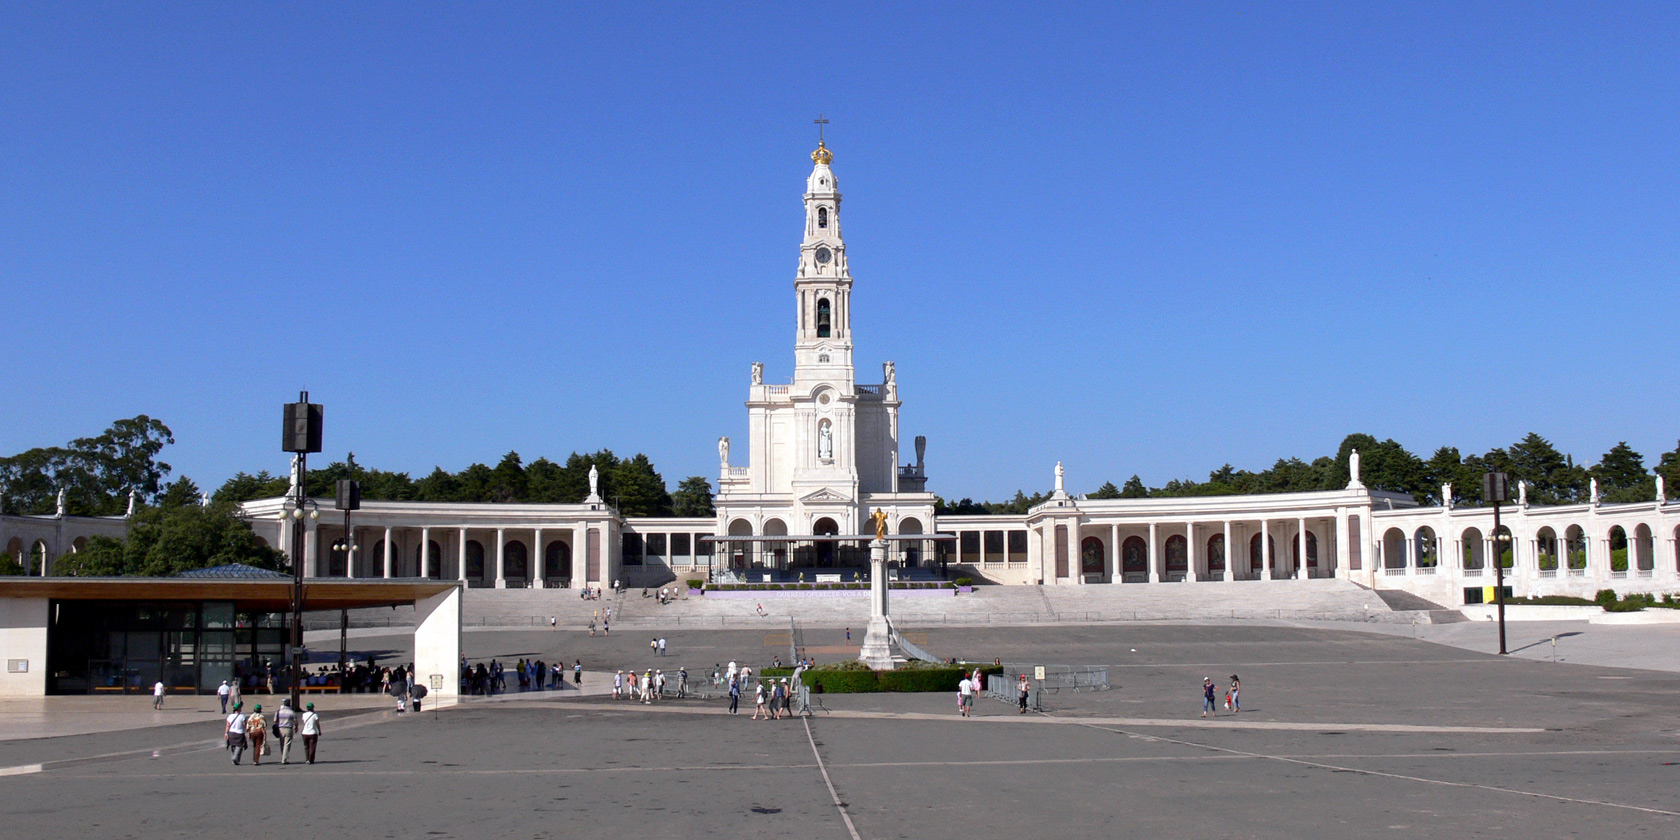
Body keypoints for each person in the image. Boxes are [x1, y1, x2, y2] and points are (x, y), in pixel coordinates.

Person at [273, 699, 297, 764]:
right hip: (288, 728)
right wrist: (296, 728)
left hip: (280, 728)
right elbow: (295, 721)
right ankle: (284, 759)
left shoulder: (279, 711)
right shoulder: (291, 712)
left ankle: (283, 756)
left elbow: (275, 720)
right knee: (287, 744)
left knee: (282, 743)